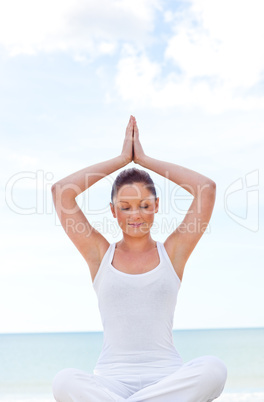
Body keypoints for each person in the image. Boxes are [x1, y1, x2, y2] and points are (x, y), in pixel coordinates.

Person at [51, 116, 227, 401]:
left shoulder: (172, 253)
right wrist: (122, 159)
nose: (135, 215)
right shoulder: (100, 255)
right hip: (111, 383)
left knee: (214, 369)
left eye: (144, 205)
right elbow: (61, 193)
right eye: (126, 206)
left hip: (168, 379)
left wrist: (143, 160)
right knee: (64, 381)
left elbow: (205, 189)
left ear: (156, 206)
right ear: (113, 211)